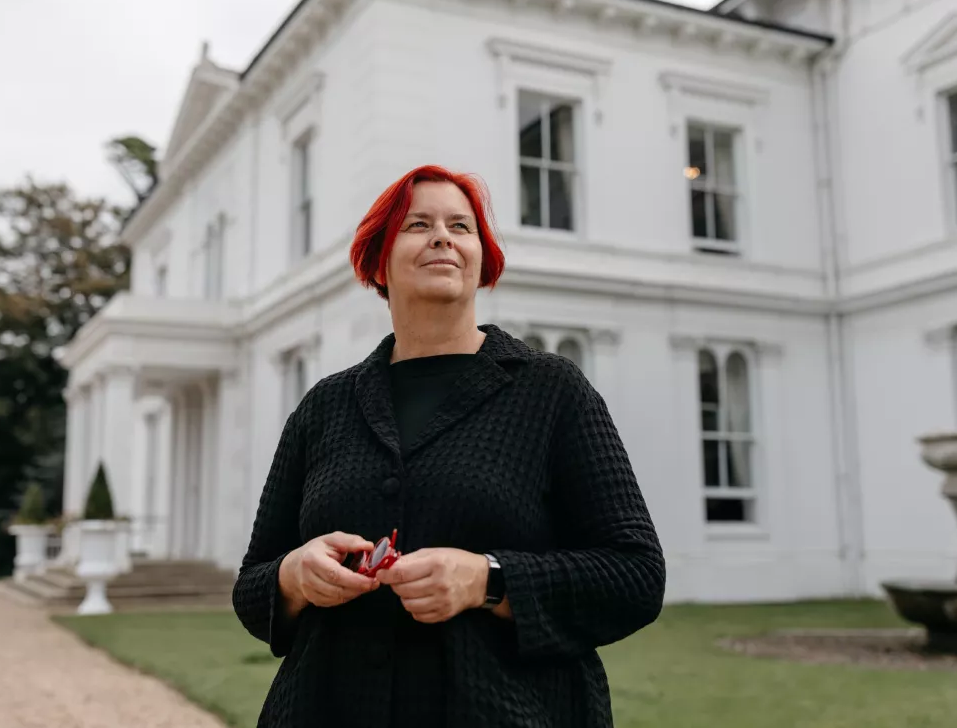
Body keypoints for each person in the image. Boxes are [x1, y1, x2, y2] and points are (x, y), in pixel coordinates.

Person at [232, 164, 665, 728]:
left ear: (481, 258)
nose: (443, 236)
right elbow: (253, 586)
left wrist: (487, 580)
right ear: (378, 259)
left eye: (461, 226)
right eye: (418, 224)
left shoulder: (551, 391)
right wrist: (294, 575)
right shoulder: (324, 407)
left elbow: (635, 575)